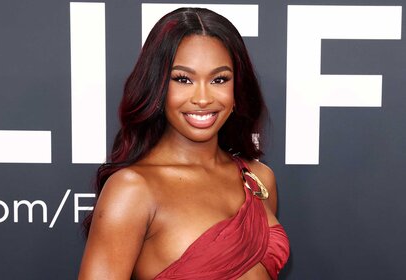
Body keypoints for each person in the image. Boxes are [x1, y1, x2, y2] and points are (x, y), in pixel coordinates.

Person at [78, 7, 289, 280]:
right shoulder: (133, 189)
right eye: (183, 79)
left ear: (237, 89)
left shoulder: (259, 178)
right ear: (158, 88)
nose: (202, 98)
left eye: (219, 79)